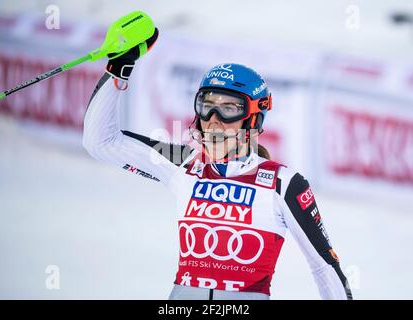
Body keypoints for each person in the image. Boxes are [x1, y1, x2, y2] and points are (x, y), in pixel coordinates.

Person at [82, 28, 353, 300]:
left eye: (229, 109)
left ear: (254, 120)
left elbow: (324, 267)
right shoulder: (183, 164)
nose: (214, 119)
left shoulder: (282, 183)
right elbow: (100, 142)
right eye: (206, 104)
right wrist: (118, 70)